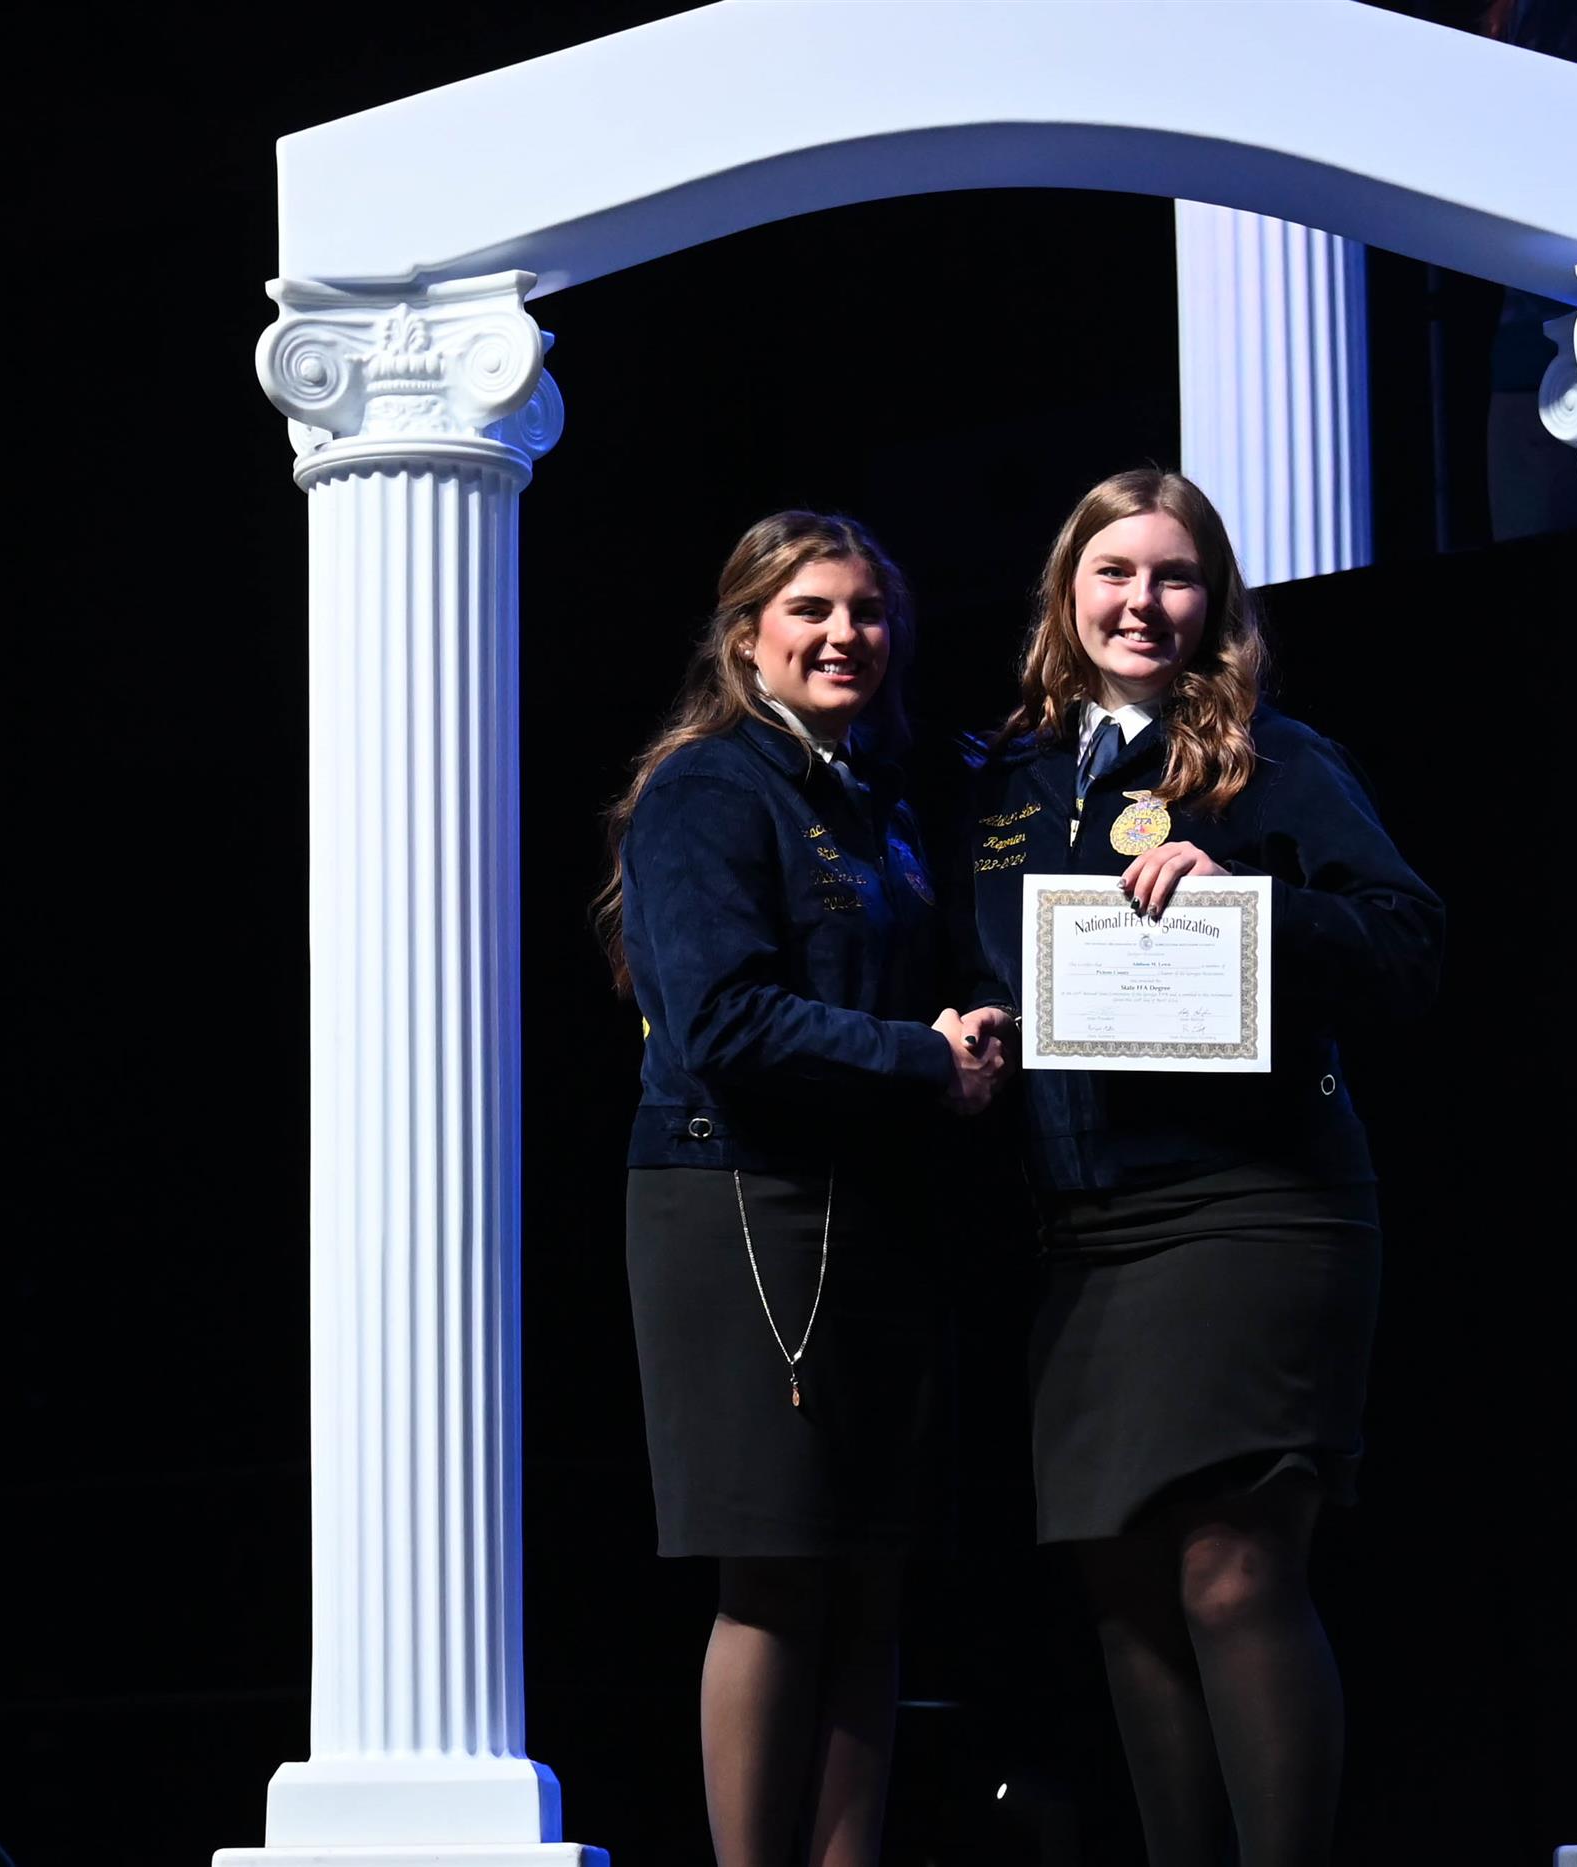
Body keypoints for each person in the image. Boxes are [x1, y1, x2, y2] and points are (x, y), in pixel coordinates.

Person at [948, 471, 1443, 1865]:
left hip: (1257, 1205)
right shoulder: (1004, 779)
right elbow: (983, 965)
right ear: (1066, 592)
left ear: (1214, 600)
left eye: (1173, 576)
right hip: (1084, 1227)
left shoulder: (1273, 759)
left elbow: (1408, 943)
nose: (1141, 603)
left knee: (1233, 1569)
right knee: (1123, 1583)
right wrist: (964, 1029)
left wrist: (1252, 906)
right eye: (1114, 572)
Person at [597, 511, 1007, 1867]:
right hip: (740, 1204)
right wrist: (923, 1057)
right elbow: (722, 1021)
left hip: (876, 1206)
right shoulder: (710, 789)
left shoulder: (880, 797)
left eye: (868, 612)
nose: (845, 635)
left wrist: (977, 1031)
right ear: (746, 637)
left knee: (869, 1578)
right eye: (812, 610)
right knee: (774, 1572)